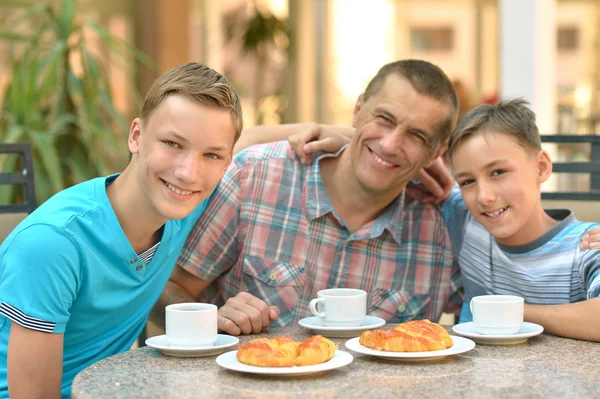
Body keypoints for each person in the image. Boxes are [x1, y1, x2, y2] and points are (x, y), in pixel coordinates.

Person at [155, 59, 464, 336]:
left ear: (436, 153)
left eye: (417, 136)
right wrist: (214, 320)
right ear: (358, 111)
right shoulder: (255, 178)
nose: (390, 144)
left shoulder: (444, 228)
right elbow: (167, 288)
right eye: (384, 118)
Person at [0, 62, 243, 398]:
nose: (189, 172)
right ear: (136, 136)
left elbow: (251, 144)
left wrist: (327, 133)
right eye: (173, 143)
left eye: (211, 154)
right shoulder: (53, 243)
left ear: (225, 162)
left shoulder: (188, 201)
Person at [443, 99, 600, 341]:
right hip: (470, 375)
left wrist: (510, 312)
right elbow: (416, 166)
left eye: (498, 172)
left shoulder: (586, 244)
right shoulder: (466, 221)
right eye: (467, 181)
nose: (484, 197)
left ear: (541, 167)